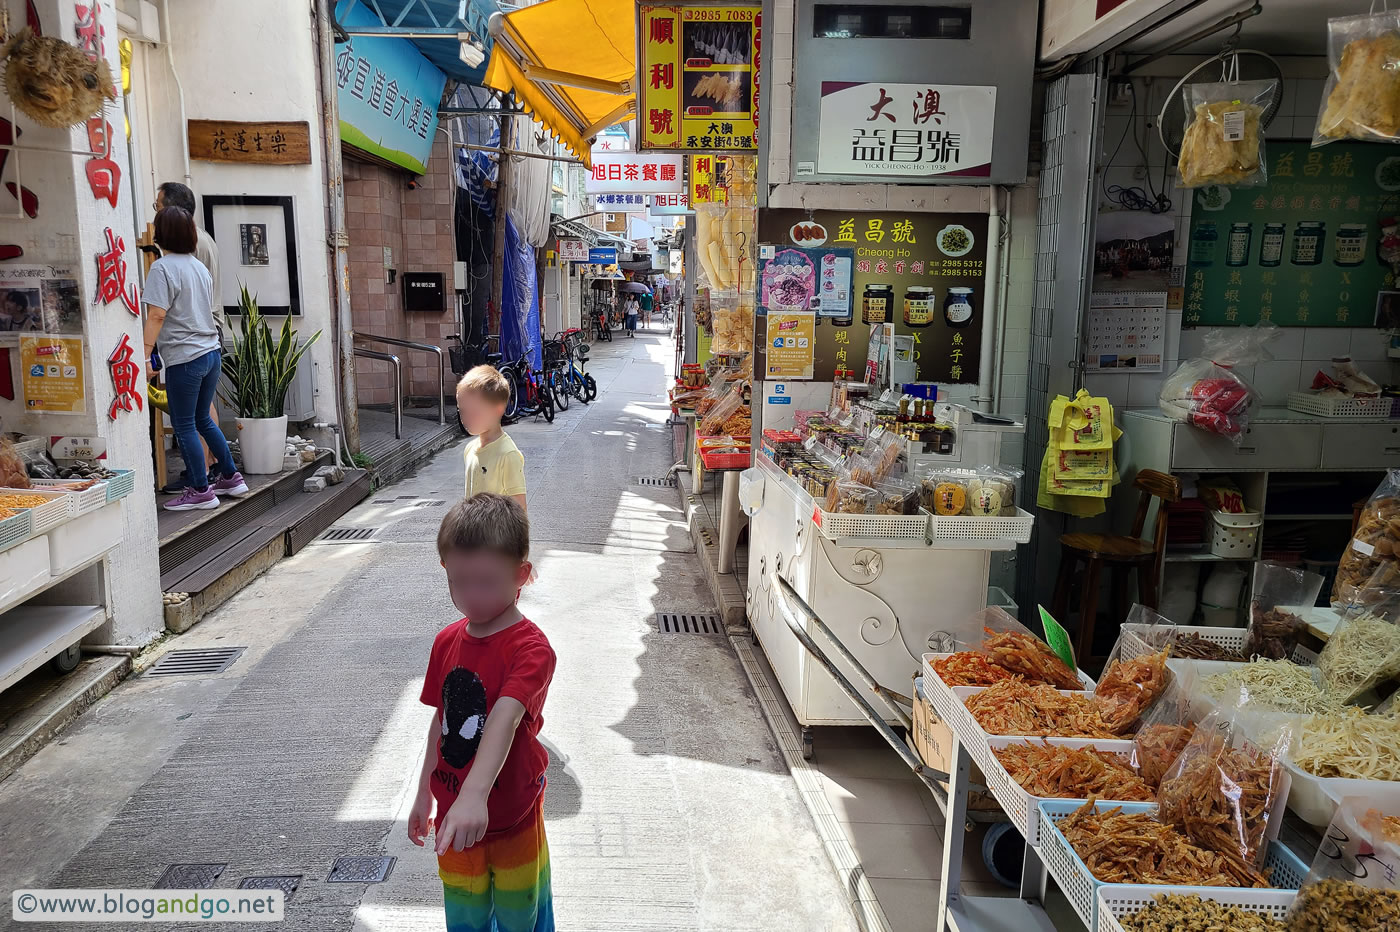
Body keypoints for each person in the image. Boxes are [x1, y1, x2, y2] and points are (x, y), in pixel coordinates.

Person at [409, 493, 556, 932]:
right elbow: (442, 721)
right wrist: (424, 793)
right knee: (464, 916)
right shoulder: (447, 641)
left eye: (487, 583)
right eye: (459, 582)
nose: (471, 596)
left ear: (521, 576)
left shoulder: (531, 649)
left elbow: (505, 718)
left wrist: (476, 794)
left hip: (511, 813)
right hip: (456, 819)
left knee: (518, 914)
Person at [143, 206, 248, 511]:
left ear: (161, 234)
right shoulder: (198, 267)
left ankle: (201, 489)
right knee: (202, 418)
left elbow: (157, 314)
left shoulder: (162, 269)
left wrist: (144, 353)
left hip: (185, 357)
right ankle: (230, 476)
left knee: (184, 422)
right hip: (210, 353)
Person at [457, 365, 527, 512]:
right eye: (462, 411)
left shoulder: (508, 455)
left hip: (497, 534)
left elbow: (520, 508)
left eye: (475, 412)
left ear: (498, 410)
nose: (466, 418)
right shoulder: (470, 449)